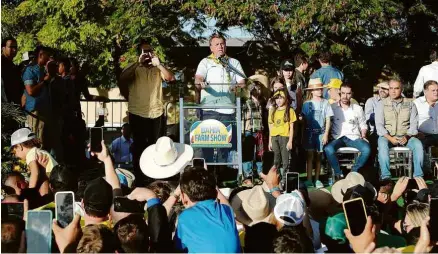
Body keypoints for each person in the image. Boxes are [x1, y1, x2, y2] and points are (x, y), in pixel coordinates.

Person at [119, 39, 175, 186]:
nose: (148, 54)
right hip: (137, 112)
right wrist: (138, 63)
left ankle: (156, 179)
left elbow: (171, 78)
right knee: (139, 147)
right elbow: (123, 78)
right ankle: (140, 179)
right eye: (145, 51)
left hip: (156, 113)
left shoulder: (158, 68)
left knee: (157, 147)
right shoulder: (134, 67)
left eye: (150, 51)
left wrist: (159, 64)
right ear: (139, 54)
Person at [194, 33, 245, 165]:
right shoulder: (205, 62)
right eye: (217, 44)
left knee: (225, 146)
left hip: (228, 110)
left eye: (222, 44)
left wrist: (237, 87)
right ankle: (208, 175)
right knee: (207, 146)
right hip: (209, 109)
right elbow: (198, 79)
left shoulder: (234, 62)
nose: (220, 46)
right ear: (211, 48)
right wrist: (201, 82)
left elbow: (243, 82)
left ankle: (222, 176)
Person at [174, 166, 240, 252]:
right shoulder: (227, 211)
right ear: (216, 192)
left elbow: (178, 248)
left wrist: (175, 195)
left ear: (183, 196)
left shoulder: (185, 217)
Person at [375, 78, 424, 180]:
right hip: (387, 136)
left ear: (401, 89)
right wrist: (390, 138)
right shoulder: (381, 104)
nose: (393, 91)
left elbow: (414, 124)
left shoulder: (410, 104)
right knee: (382, 144)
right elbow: (379, 126)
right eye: (391, 88)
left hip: (406, 136)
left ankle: (418, 176)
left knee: (418, 144)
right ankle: (386, 176)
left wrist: (407, 136)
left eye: (396, 88)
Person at [324, 83, 370, 180]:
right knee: (328, 149)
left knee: (366, 149)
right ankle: (339, 174)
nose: (345, 96)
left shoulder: (358, 108)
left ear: (352, 94)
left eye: (348, 93)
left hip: (354, 137)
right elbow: (327, 122)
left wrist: (364, 135)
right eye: (343, 93)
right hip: (338, 137)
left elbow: (363, 124)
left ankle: (353, 172)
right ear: (339, 93)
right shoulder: (332, 107)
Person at [302, 78, 333, 188]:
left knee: (319, 156)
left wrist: (325, 134)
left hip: (321, 134)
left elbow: (328, 119)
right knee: (309, 156)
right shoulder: (306, 104)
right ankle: (309, 179)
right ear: (311, 91)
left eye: (320, 89)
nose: (319, 91)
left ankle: (317, 179)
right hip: (309, 133)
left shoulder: (326, 103)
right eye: (316, 89)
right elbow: (304, 120)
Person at [10, 128, 58, 196]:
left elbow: (35, 173)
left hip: (54, 183)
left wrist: (30, 192)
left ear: (20, 146)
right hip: (58, 180)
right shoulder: (37, 151)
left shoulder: (30, 154)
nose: (15, 155)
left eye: (14, 151)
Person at [22, 46, 51, 146]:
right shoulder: (30, 70)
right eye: (47, 55)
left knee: (42, 142)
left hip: (43, 111)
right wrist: (44, 82)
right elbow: (30, 91)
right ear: (41, 55)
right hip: (34, 112)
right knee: (34, 143)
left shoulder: (44, 70)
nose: (49, 58)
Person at [268, 90, 297, 179]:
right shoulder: (272, 111)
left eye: (281, 98)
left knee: (285, 160)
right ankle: (277, 178)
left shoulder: (290, 110)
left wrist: (290, 141)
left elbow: (292, 127)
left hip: (285, 137)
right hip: (274, 137)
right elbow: (271, 127)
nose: (278, 101)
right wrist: (270, 141)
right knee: (276, 159)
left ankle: (285, 179)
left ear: (285, 99)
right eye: (277, 99)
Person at [413, 80, 438, 149]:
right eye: (433, 90)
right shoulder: (417, 103)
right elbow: (410, 121)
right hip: (423, 136)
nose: (436, 92)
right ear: (425, 92)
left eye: (437, 90)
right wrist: (416, 133)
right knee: (419, 146)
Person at [1, 37, 23, 105]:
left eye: (15, 47)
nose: (14, 50)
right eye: (11, 47)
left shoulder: (12, 65)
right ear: (3, 48)